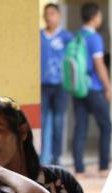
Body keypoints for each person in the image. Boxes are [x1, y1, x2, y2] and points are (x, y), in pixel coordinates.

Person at [72, 2, 112, 178]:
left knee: (80, 127)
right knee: (106, 125)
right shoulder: (95, 38)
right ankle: (103, 167)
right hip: (93, 88)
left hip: (77, 88)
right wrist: (108, 86)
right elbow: (99, 64)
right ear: (95, 17)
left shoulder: (77, 36)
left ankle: (79, 169)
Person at [40, 4, 73, 166]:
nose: (49, 17)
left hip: (61, 86)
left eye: (52, 14)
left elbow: (73, 62)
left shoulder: (67, 37)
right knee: (42, 122)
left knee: (58, 123)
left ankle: (56, 158)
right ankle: (40, 158)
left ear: (59, 16)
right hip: (43, 86)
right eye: (46, 14)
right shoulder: (38, 36)